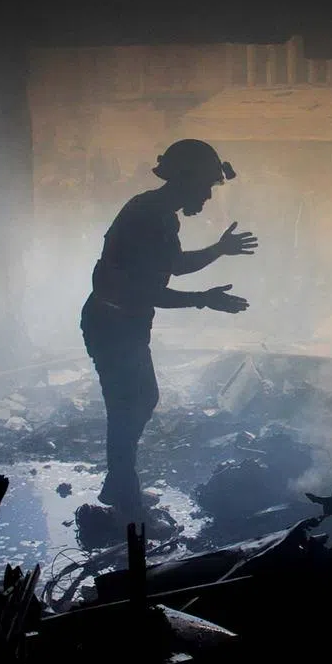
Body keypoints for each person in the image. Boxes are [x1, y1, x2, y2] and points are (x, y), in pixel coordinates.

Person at [81, 139, 257, 520]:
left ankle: (120, 487)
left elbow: (172, 264)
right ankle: (125, 499)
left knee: (132, 402)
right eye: (206, 186)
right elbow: (152, 289)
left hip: (118, 320)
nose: (209, 196)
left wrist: (218, 251)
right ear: (186, 180)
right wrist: (204, 298)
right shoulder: (152, 215)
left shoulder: (156, 210)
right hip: (114, 323)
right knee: (134, 402)